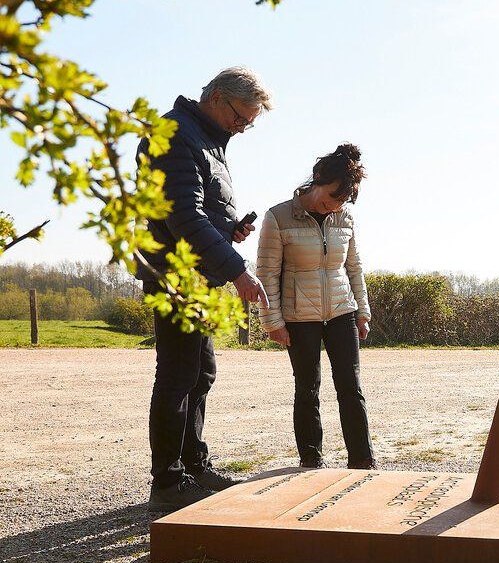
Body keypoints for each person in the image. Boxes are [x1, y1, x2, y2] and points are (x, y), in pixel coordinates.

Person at [138, 66, 272, 514]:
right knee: (178, 375)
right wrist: (237, 269)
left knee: (200, 372)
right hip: (175, 276)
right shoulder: (177, 136)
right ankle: (168, 481)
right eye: (242, 117)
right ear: (216, 97)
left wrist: (227, 229)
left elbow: (200, 213)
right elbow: (183, 218)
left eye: (250, 123)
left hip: (198, 272)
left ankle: (193, 466)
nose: (244, 126)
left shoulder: (206, 137)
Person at [256, 144, 376, 471]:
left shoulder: (345, 217)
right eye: (332, 196)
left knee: (351, 387)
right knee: (307, 388)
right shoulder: (278, 217)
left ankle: (363, 462)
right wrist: (272, 322)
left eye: (342, 200)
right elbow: (267, 272)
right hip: (298, 318)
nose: (334, 205)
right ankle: (311, 460)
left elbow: (354, 267)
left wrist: (362, 313)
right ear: (318, 179)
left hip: (342, 312)